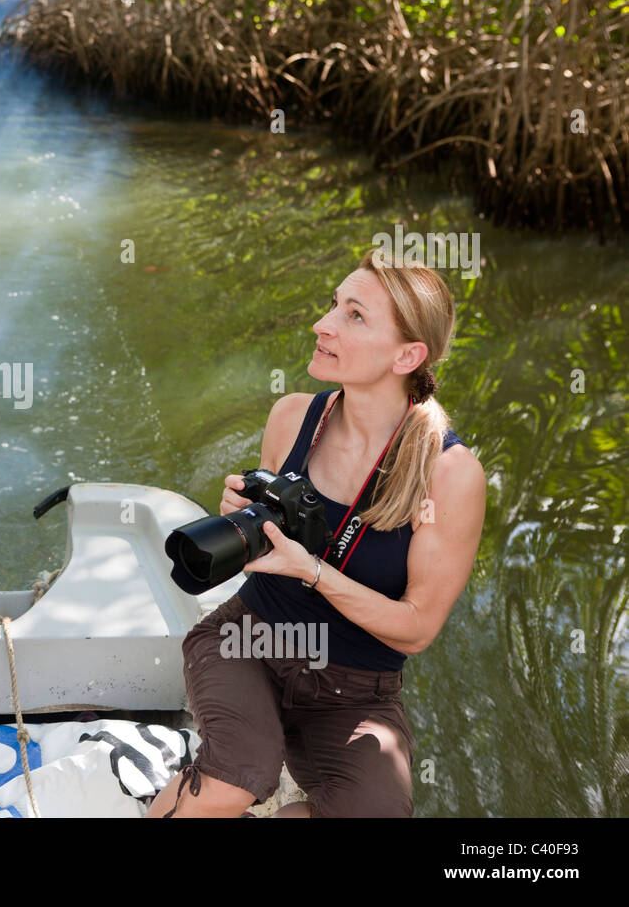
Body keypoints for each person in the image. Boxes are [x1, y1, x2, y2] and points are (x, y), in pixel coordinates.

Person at [148, 247, 486, 818]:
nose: (322, 324)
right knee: (239, 773)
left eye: (354, 315)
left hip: (355, 690)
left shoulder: (450, 475)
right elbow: (262, 552)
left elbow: (417, 628)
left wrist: (314, 571)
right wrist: (243, 519)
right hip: (248, 640)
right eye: (333, 304)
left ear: (408, 354)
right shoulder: (294, 417)